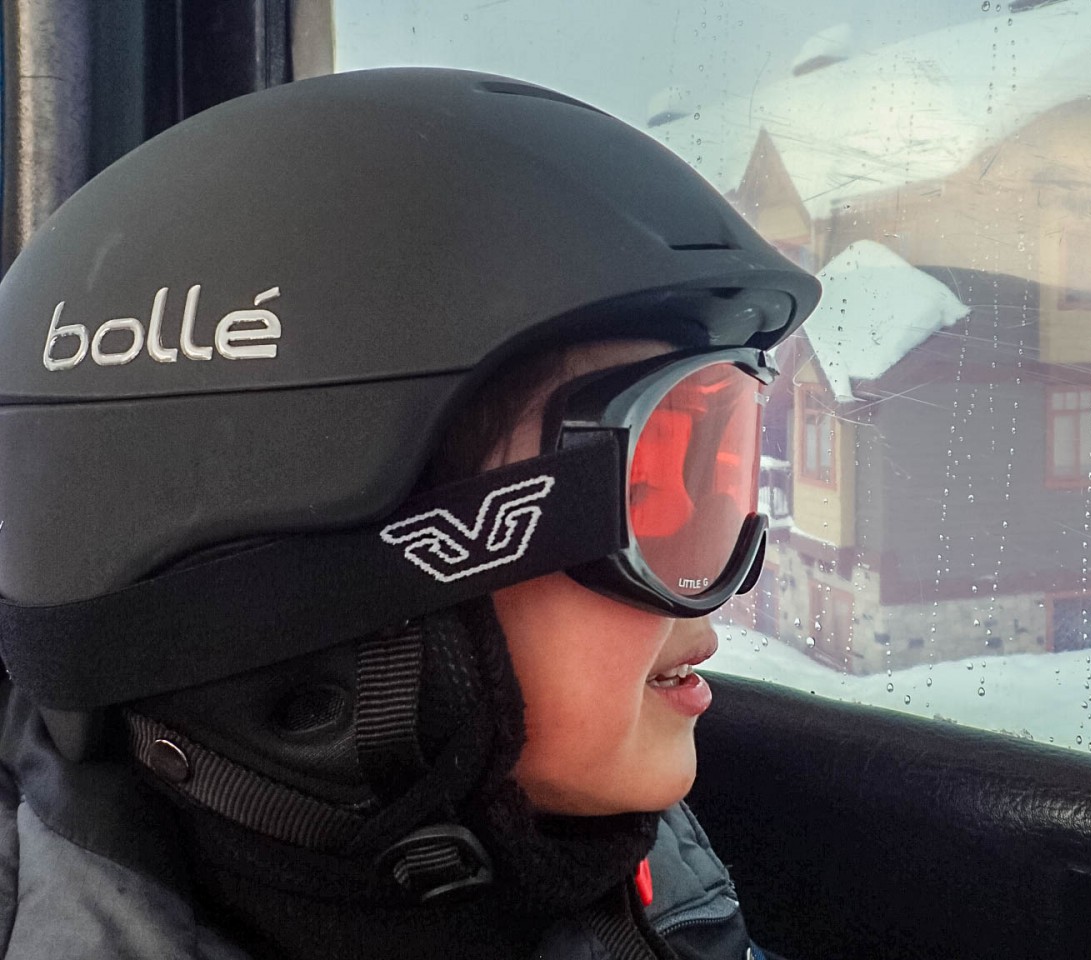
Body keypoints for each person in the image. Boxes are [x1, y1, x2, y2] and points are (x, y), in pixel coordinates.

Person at [0, 68, 820, 959]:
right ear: (312, 627)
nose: (722, 592)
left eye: (728, 469)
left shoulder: (649, 902)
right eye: (651, 490)